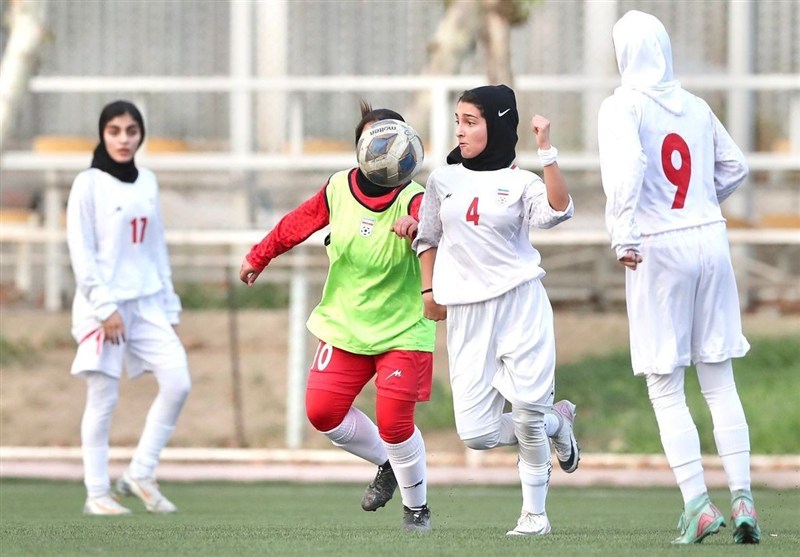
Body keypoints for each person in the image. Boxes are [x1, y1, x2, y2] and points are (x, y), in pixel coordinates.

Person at [597, 10, 760, 545]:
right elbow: (735, 167)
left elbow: (628, 167)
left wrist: (623, 233)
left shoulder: (622, 105)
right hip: (710, 237)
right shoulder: (696, 105)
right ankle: (743, 499)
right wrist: (700, 204)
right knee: (719, 377)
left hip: (658, 246)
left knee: (665, 384)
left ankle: (697, 504)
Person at [239, 102, 435, 533]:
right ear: (361, 147)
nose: (383, 148)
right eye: (374, 140)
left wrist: (418, 227)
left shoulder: (417, 199)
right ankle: (389, 463)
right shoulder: (337, 188)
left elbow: (437, 227)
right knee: (323, 412)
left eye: (392, 139)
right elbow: (297, 223)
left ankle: (417, 509)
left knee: (395, 423)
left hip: (402, 329)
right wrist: (259, 255)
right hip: (346, 325)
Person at [413, 84, 579, 536]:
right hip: (467, 315)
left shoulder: (522, 183)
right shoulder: (442, 180)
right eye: (458, 122)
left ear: (499, 126)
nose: (460, 132)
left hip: (520, 304)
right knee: (478, 434)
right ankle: (557, 421)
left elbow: (558, 211)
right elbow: (427, 237)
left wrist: (547, 152)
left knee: (526, 413)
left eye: (471, 122)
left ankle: (534, 515)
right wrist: (429, 292)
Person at [66, 100, 191, 516]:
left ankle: (141, 472)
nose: (123, 139)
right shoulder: (88, 183)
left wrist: (169, 306)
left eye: (131, 131)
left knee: (177, 381)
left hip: (148, 301)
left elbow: (156, 247)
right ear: (102, 134)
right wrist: (104, 307)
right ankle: (97, 492)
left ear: (141, 135)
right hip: (102, 306)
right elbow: (81, 251)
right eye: (114, 131)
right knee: (103, 397)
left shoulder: (148, 181)